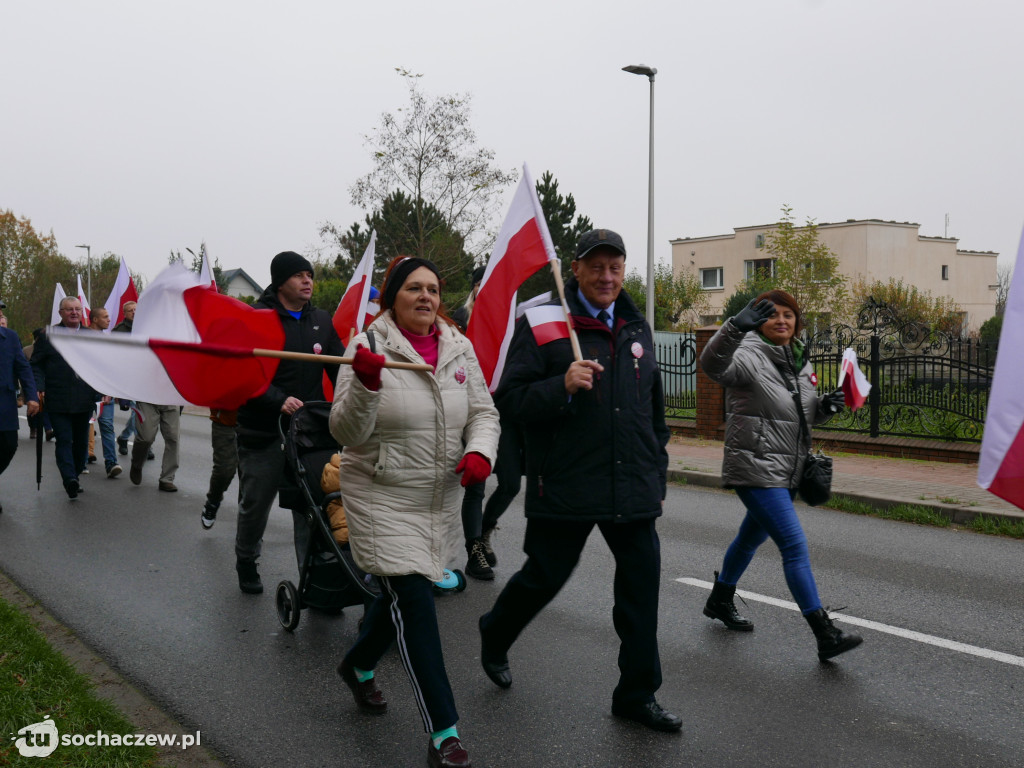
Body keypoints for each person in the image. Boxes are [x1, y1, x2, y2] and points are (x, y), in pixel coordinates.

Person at [478, 229, 682, 733]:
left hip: (631, 485)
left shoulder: (637, 326)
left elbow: (653, 411)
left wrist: (656, 467)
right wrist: (561, 386)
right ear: (576, 268)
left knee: (640, 591)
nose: (606, 277)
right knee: (544, 577)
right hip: (566, 482)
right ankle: (495, 632)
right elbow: (510, 399)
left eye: (615, 267)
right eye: (597, 267)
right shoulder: (543, 320)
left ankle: (637, 694)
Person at [330, 256, 499, 768]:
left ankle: (358, 665)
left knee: (406, 592)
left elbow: (484, 412)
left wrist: (480, 452)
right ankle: (443, 732)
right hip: (382, 495)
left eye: (432, 289)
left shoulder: (458, 346)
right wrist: (366, 385)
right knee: (416, 602)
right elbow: (346, 433)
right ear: (392, 297)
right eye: (413, 289)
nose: (425, 297)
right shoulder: (367, 347)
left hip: (437, 500)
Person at [698, 290, 863, 661]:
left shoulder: (800, 362)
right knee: (793, 544)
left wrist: (825, 407)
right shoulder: (748, 355)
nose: (782, 321)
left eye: (789, 315)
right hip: (755, 467)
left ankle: (720, 600)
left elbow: (801, 417)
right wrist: (732, 328)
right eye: (773, 315)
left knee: (748, 539)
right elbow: (712, 366)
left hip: (786, 469)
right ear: (760, 320)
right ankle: (825, 633)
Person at [234, 251, 342, 594]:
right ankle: (246, 560)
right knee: (256, 504)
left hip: (308, 433)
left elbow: (341, 370)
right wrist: (278, 400)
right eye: (299, 275)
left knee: (311, 509)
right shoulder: (257, 319)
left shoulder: (322, 320)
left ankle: (315, 583)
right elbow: (244, 376)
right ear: (281, 282)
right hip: (262, 430)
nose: (308, 280)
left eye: (310, 275)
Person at [452, 265, 523, 581]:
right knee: (476, 484)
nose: (486, 288)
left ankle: (485, 530)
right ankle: (473, 551)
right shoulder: (459, 320)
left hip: (504, 413)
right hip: (471, 413)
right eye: (481, 283)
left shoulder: (513, 324)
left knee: (510, 482)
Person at [31, 297, 98, 499]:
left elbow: (101, 365)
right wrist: (39, 387)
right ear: (61, 313)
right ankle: (69, 479)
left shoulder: (92, 336)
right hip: (57, 398)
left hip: (84, 399)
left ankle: (75, 474)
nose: (74, 312)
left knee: (80, 445)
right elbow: (36, 364)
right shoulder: (48, 336)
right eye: (69, 310)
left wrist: (104, 389)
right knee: (64, 440)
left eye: (77, 309)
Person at [1, 317, 39, 513]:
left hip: (4, 403)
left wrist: (32, 396)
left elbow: (23, 368)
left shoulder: (10, 337)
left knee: (9, 445)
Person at [85, 307, 122, 479]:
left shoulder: (108, 341)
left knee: (107, 426)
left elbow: (112, 367)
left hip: (104, 392)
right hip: (84, 391)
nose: (109, 320)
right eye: (105, 317)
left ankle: (111, 463)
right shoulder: (83, 338)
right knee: (83, 426)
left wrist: (110, 389)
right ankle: (81, 460)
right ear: (94, 319)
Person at [201, 408, 238, 529]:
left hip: (255, 425)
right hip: (225, 423)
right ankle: (213, 501)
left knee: (251, 476)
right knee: (224, 470)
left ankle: (250, 525)